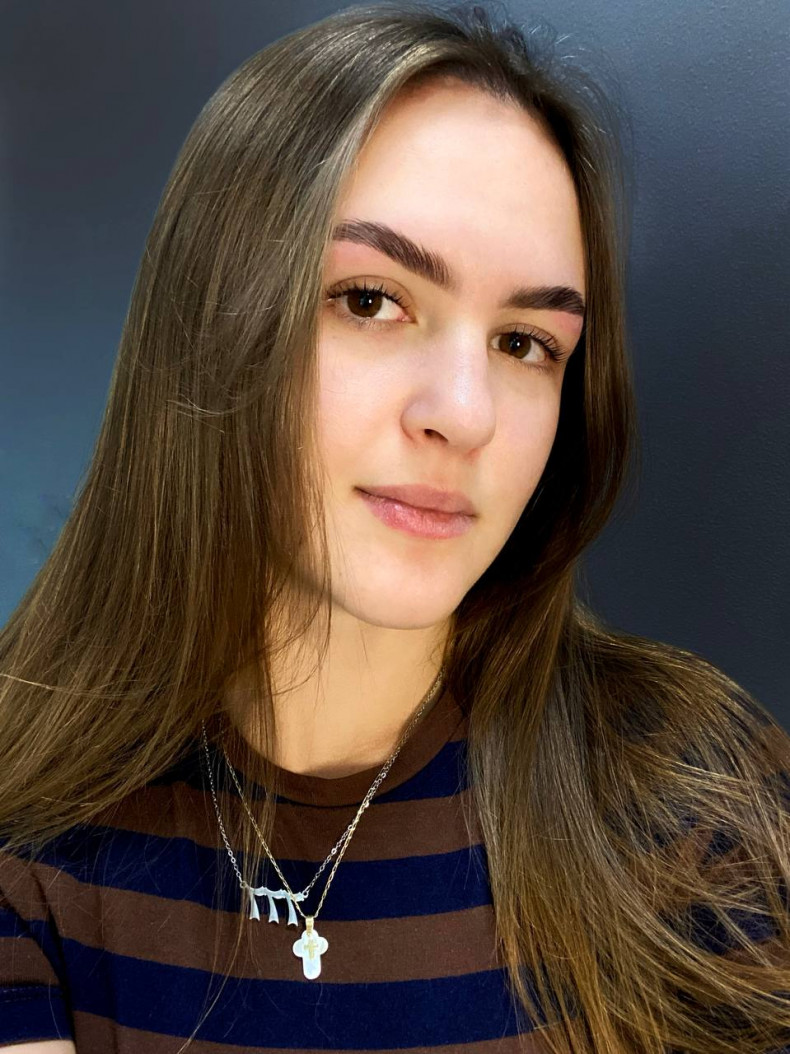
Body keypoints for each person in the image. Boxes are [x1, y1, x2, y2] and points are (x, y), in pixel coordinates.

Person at [0, 1, 788, 1052]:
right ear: (211, 319)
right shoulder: (30, 841)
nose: (464, 413)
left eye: (524, 342)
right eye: (371, 300)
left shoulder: (697, 802)